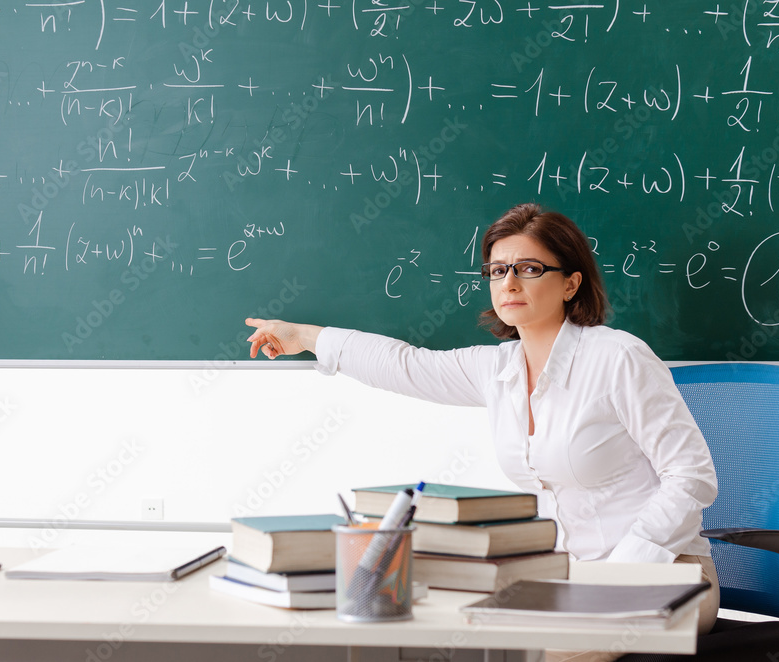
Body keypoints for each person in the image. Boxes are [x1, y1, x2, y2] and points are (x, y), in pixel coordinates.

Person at [245, 203, 719, 660]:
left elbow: (692, 476)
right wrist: (305, 337)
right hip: (568, 579)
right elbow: (405, 365)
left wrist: (622, 571)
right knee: (452, 635)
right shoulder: (496, 369)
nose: (508, 281)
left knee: (529, 653)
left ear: (571, 283)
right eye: (497, 270)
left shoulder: (618, 358)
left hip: (666, 576)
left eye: (529, 268)